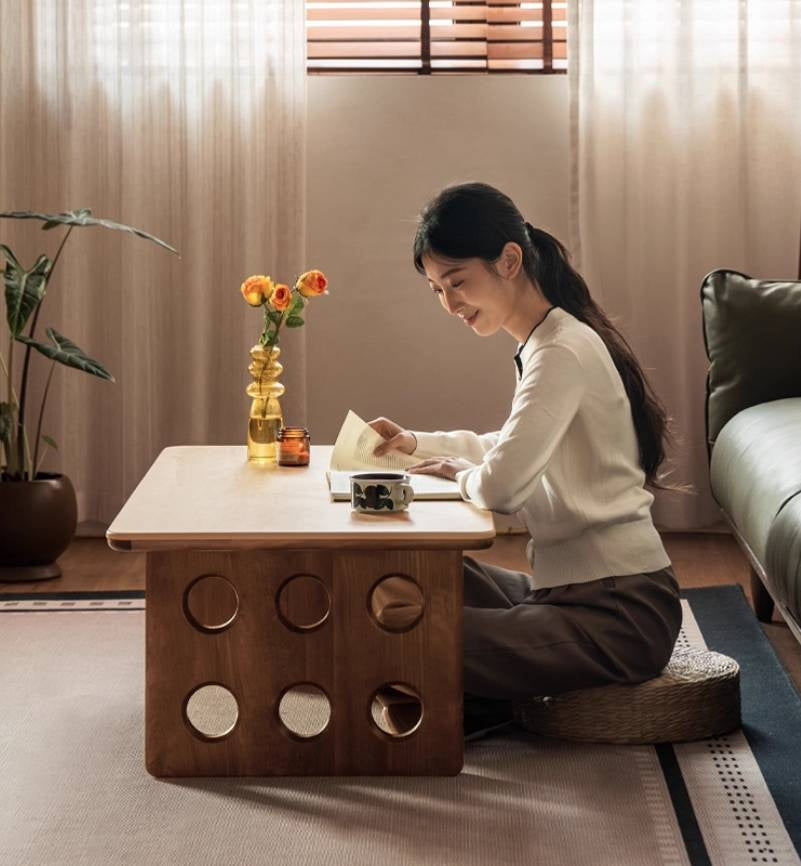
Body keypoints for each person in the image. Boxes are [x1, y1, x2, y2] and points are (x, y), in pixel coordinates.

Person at [367, 181, 687, 742]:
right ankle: (485, 697)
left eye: (458, 282)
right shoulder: (545, 343)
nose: (450, 304)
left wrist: (464, 477)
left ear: (509, 260)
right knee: (417, 574)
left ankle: (472, 698)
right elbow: (508, 447)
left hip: (618, 615)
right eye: (437, 290)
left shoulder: (560, 349)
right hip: (568, 594)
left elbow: (501, 487)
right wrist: (416, 443)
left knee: (402, 634)